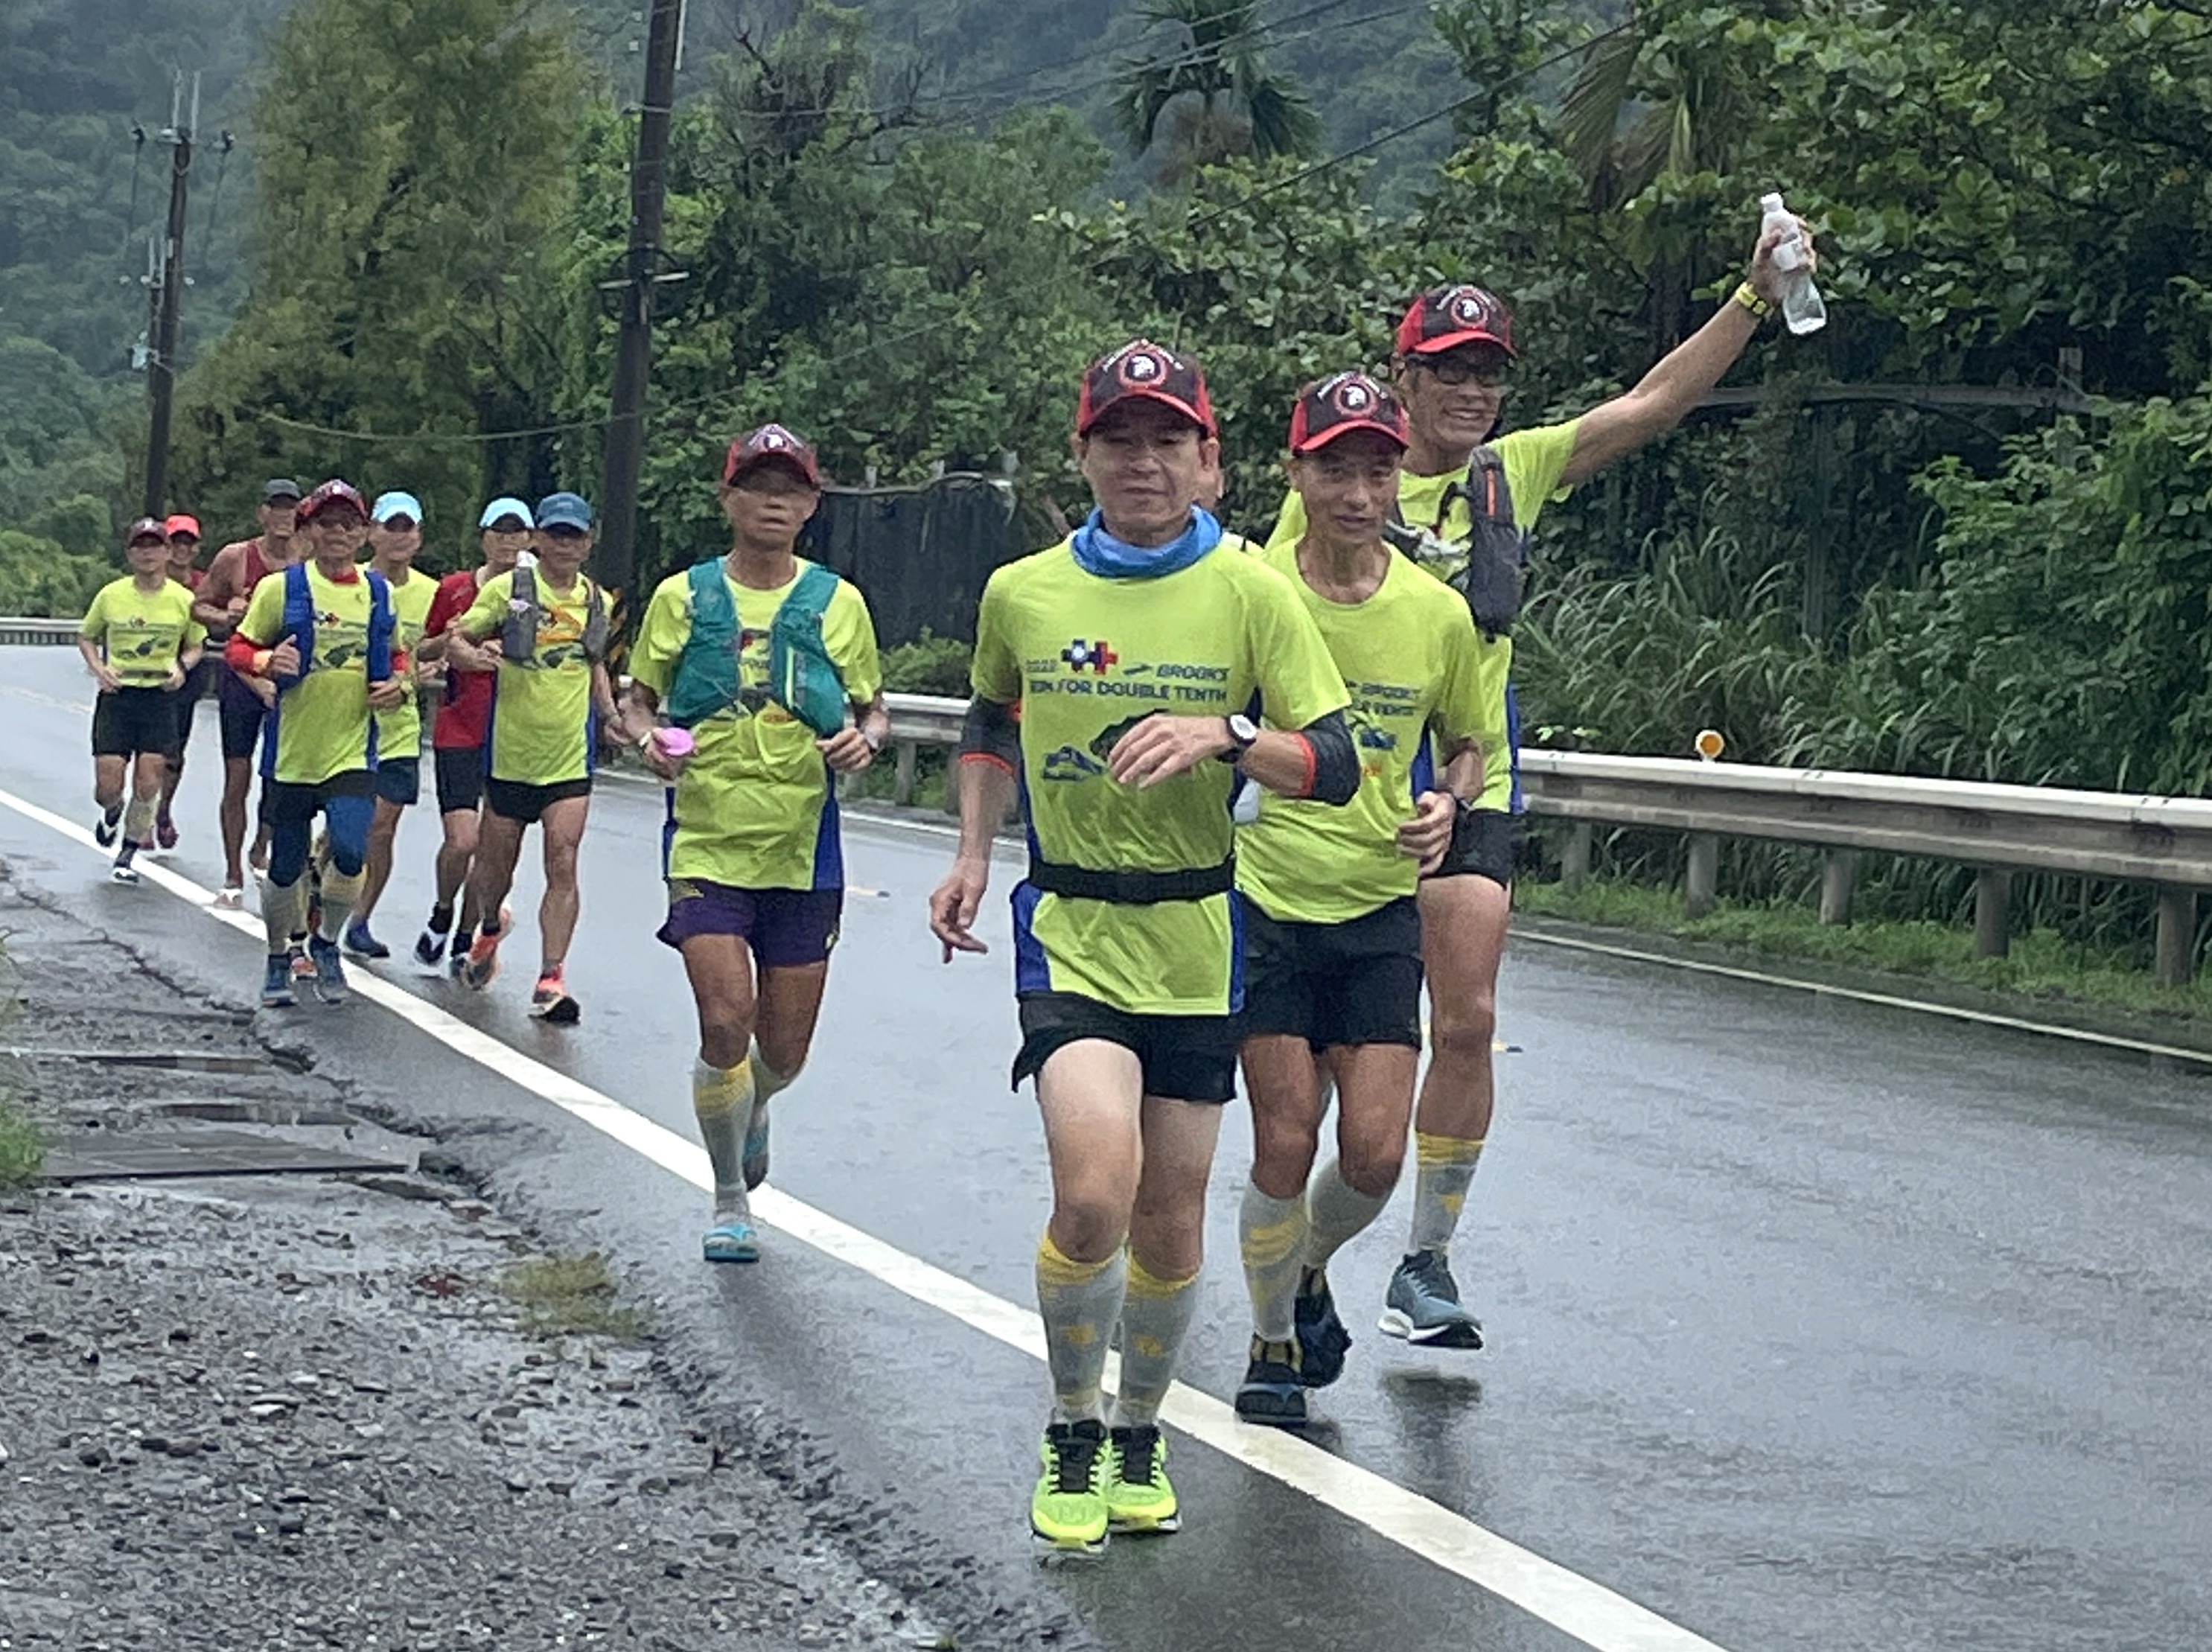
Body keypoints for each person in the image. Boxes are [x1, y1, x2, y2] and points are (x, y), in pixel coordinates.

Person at [1264, 214, 1816, 1348]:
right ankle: (1301, 1259)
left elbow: (1649, 406)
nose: (1469, 390)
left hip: (1473, 772)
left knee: (1463, 1017)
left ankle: (1423, 1259)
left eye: (1487, 372)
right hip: (1342, 792)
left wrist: (1753, 297)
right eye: (1447, 369)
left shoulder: (1509, 475)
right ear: (1401, 375)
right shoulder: (1336, 479)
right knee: (1325, 1080)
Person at [928, 340, 1357, 1555]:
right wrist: (971, 851)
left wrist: (1224, 732)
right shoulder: (1024, 591)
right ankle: (1070, 1419)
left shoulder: (1253, 590)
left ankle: (1139, 1424)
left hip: (1202, 935)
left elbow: (1332, 761)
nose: (1144, 460)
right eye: (1118, 438)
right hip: (1067, 923)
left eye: (1170, 439)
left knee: (1170, 1221)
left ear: (1210, 461)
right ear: (1083, 456)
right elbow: (989, 715)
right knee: (1090, 1187)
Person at [1228, 374, 1497, 1426]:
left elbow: (1467, 745)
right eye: (1332, 466)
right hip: (1265, 895)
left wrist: (1446, 800)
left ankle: (1301, 1265)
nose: (1354, 489)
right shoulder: (1249, 590)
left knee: (1375, 1151)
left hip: (1379, 902)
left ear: (1399, 479)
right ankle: (1268, 1336)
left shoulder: (1435, 612)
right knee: (1286, 1135)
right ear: (1295, 473)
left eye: (1375, 468)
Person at [614, 424, 887, 1264]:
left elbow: (872, 707)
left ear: (811, 504)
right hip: (705, 843)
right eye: (757, 484)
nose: (774, 501)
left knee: (784, 1050)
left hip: (804, 849)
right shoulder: (683, 596)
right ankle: (729, 1195)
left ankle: (754, 1105)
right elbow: (638, 698)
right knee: (724, 1019)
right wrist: (646, 739)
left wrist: (866, 738)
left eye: (792, 488)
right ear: (727, 497)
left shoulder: (838, 602)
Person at [223, 480, 408, 1007]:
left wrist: (399, 685)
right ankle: (280, 955)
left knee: (351, 849)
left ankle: (326, 942)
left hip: (352, 748)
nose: (339, 533)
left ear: (364, 532)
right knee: (285, 865)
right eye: (327, 523)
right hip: (291, 752)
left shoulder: (377, 592)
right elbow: (240, 646)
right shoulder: (282, 588)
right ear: (308, 530)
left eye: (349, 524)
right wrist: (264, 662)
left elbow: (397, 656)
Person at [449, 491, 618, 1021]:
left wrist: (610, 716)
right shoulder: (510, 590)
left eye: (576, 536)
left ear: (589, 542)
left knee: (563, 859)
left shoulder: (598, 600)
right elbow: (459, 637)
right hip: (511, 756)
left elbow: (594, 665)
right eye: (556, 535)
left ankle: (551, 976)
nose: (566, 545)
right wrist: (474, 655)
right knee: (496, 866)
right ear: (538, 539)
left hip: (569, 758)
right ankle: (491, 928)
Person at [412, 497, 532, 972]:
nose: (507, 540)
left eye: (516, 531)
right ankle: (443, 911)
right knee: (462, 841)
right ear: (483, 537)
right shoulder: (456, 588)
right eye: (498, 531)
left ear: (530, 539)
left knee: (491, 848)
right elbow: (423, 647)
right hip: (460, 725)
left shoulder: (539, 593)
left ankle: (466, 937)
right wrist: (455, 640)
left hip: (516, 729)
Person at [195, 479, 305, 907]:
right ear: (261, 513)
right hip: (241, 676)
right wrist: (226, 614)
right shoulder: (237, 557)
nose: (283, 516)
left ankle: (262, 843)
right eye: (275, 508)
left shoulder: (308, 560)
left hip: (289, 679)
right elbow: (199, 607)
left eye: (290, 508)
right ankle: (232, 871)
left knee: (280, 777)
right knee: (237, 778)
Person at [78, 518, 206, 884]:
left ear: (168, 553)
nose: (148, 554)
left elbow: (198, 643)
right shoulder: (112, 594)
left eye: (155, 546)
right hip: (119, 696)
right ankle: (112, 812)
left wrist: (182, 669)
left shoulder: (183, 599)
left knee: (149, 782)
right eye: (140, 547)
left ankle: (127, 854)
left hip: (159, 697)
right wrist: (99, 668)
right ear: (130, 554)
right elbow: (86, 635)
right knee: (108, 785)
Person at [340, 490, 439, 960]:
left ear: (419, 537)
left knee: (382, 827)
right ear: (370, 534)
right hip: (345, 726)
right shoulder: (347, 582)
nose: (399, 537)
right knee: (347, 828)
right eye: (390, 527)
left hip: (400, 727)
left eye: (408, 528)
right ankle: (324, 902)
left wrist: (415, 678)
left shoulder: (432, 593)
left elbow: (439, 652)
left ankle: (359, 918)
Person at [153, 512, 209, 852]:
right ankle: (142, 814)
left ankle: (163, 810)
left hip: (187, 675)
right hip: (146, 674)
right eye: (176, 541)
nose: (182, 549)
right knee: (148, 751)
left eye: (189, 542)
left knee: (174, 751)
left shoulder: (203, 585)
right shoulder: (150, 579)